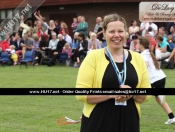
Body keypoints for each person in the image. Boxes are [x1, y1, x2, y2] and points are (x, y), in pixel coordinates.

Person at [76, 13, 151, 132]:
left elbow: (147, 94)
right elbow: (81, 94)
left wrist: (132, 93)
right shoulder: (93, 57)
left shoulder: (138, 58)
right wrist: (112, 94)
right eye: (112, 31)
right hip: (98, 122)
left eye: (120, 31)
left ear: (126, 33)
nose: (117, 35)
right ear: (104, 33)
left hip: (129, 122)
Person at [139, 36, 175, 124]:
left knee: (137, 96)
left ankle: (129, 115)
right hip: (161, 77)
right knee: (158, 98)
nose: (137, 45)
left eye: (138, 44)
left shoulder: (143, 54)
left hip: (154, 79)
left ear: (141, 45)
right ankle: (172, 117)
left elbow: (145, 65)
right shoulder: (148, 52)